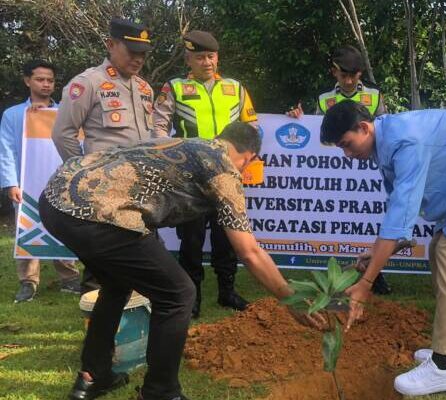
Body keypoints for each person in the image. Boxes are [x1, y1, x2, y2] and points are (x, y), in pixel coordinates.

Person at [39, 122, 326, 400]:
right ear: (249, 157)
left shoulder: (188, 144)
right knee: (179, 294)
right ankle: (160, 392)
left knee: (117, 284)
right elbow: (249, 252)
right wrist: (292, 299)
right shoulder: (223, 168)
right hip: (102, 217)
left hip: (55, 201)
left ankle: (93, 376)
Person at [321, 100, 446, 396]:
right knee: (438, 250)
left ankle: (443, 366)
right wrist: (376, 254)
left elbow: (400, 214)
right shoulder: (386, 143)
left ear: (364, 127)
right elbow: (398, 217)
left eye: (347, 145)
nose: (348, 154)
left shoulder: (405, 141)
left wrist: (365, 284)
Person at [153, 30, 258, 317]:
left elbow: (252, 126)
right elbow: (159, 128)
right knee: (192, 239)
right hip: (191, 178)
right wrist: (171, 158)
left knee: (228, 236)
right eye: (200, 57)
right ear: (188, 59)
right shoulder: (174, 87)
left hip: (226, 175)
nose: (207, 62)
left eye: (211, 56)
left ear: (217, 57)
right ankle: (194, 297)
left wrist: (246, 158)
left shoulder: (235, 88)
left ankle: (227, 291)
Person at [52, 17, 156, 294]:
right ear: (111, 44)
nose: (138, 59)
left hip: (139, 185)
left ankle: (134, 305)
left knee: (138, 248)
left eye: (143, 53)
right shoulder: (88, 83)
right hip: (104, 186)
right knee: (101, 252)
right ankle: (94, 316)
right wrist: (86, 172)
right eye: (132, 51)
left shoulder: (145, 88)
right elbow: (63, 133)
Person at [287, 45, 391, 295]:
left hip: (369, 174)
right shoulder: (325, 100)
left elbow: (384, 129)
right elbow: (318, 135)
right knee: (339, 219)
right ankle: (338, 276)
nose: (348, 80)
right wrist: (297, 118)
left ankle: (374, 274)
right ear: (334, 72)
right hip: (336, 176)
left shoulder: (374, 97)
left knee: (370, 220)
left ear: (360, 74)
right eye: (343, 75)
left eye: (353, 75)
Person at [0, 60, 80, 302]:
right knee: (28, 228)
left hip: (60, 181)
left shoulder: (65, 112)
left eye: (50, 80)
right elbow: (6, 150)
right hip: (27, 183)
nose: (46, 84)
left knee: (64, 227)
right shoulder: (14, 115)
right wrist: (10, 183)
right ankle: (28, 281)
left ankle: (69, 277)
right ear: (27, 81)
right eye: (40, 79)